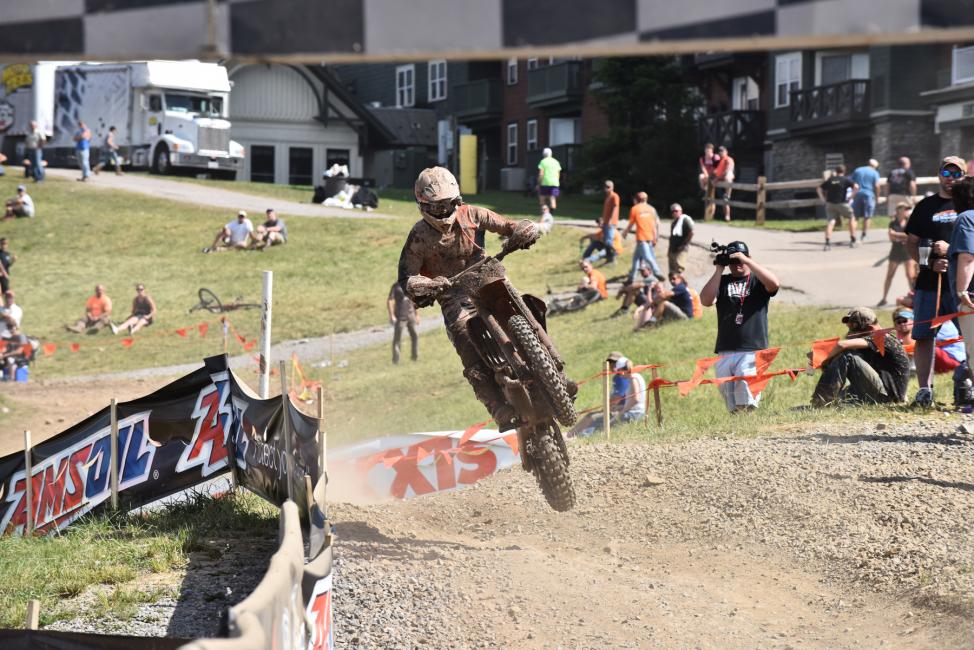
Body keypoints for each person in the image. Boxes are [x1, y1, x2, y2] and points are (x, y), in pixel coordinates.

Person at [397, 167, 542, 429]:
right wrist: (423, 285)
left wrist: (523, 230)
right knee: (466, 341)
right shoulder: (418, 236)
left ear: (458, 200)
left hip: (487, 276)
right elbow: (407, 276)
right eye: (437, 207)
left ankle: (552, 367)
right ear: (423, 205)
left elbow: (507, 225)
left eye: (448, 205)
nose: (444, 212)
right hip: (451, 295)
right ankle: (497, 407)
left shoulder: (473, 214)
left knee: (527, 305)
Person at [906, 156, 965, 407]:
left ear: (964, 176)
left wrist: (951, 252)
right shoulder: (925, 206)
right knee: (923, 335)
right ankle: (924, 390)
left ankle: (967, 385)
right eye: (946, 173)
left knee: (970, 335)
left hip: (962, 285)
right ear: (939, 174)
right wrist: (928, 263)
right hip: (929, 283)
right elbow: (912, 242)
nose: (951, 179)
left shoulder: (969, 204)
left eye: (956, 174)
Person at [700, 241, 780, 413]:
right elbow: (706, 300)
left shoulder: (757, 280)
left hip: (752, 348)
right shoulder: (722, 281)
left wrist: (747, 260)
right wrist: (719, 269)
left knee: (747, 396)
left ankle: (747, 422)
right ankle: (739, 424)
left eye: (740, 260)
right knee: (731, 400)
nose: (737, 264)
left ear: (748, 258)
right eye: (733, 261)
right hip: (725, 349)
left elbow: (774, 283)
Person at [810, 307, 910, 407]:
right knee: (839, 400)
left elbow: (842, 345)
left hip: (887, 397)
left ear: (870, 328)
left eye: (854, 330)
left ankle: (820, 403)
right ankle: (824, 403)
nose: (850, 333)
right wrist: (827, 362)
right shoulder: (869, 344)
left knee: (848, 356)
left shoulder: (883, 337)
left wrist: (822, 359)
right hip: (876, 390)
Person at [568, 355, 646, 437]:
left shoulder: (633, 378)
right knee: (601, 421)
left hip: (633, 414)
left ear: (622, 370)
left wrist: (622, 411)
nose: (619, 375)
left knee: (602, 423)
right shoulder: (637, 376)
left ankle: (580, 436)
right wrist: (620, 407)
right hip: (635, 412)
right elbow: (635, 401)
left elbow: (636, 399)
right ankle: (576, 435)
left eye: (618, 372)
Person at [879, 202, 917, 306]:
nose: (907, 211)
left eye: (907, 209)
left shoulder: (909, 222)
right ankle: (884, 298)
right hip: (896, 251)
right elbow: (891, 237)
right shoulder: (893, 223)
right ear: (898, 210)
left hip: (907, 251)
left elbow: (910, 236)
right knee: (890, 275)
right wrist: (901, 236)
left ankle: (915, 296)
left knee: (910, 275)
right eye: (905, 209)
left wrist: (896, 234)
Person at [622, 192, 663, 282]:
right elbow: (655, 224)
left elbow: (631, 223)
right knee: (636, 259)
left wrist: (625, 232)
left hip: (642, 237)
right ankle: (631, 278)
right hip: (650, 237)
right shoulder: (651, 209)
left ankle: (657, 272)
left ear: (636, 199)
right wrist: (656, 237)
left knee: (647, 257)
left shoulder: (635, 209)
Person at [817, 164, 859, 250]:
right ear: (844, 171)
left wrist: (823, 199)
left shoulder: (831, 180)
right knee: (851, 218)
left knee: (831, 222)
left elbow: (819, 188)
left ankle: (827, 243)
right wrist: (851, 197)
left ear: (836, 171)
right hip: (842, 203)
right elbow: (856, 187)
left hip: (830, 203)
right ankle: (853, 240)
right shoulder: (845, 179)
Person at [387, 281, 419, 364]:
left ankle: (414, 357)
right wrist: (391, 315)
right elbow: (390, 300)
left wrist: (417, 315)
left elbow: (414, 300)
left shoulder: (410, 285)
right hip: (400, 316)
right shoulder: (395, 286)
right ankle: (396, 360)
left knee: (415, 336)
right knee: (397, 339)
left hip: (411, 315)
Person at [850, 158, 880, 240]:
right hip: (868, 194)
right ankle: (864, 235)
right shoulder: (874, 172)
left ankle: (853, 235)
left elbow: (851, 182)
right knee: (867, 216)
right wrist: (877, 196)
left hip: (857, 193)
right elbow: (877, 185)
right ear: (874, 166)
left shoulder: (858, 170)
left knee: (855, 216)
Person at [667, 203, 694, 274]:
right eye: (672, 211)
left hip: (681, 249)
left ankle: (679, 281)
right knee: (672, 271)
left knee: (679, 269)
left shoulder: (685, 220)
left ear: (681, 211)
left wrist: (684, 244)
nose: (674, 213)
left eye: (676, 211)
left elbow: (691, 232)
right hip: (673, 248)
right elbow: (672, 236)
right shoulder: (674, 222)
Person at [598, 180, 621, 265]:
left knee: (609, 241)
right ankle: (609, 259)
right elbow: (605, 211)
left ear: (612, 187)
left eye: (608, 187)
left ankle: (614, 255)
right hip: (605, 223)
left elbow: (615, 208)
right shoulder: (607, 197)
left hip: (611, 223)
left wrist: (611, 220)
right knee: (605, 242)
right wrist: (602, 220)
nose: (606, 189)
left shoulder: (615, 196)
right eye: (605, 187)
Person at [537, 147, 562, 212]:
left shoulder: (543, 162)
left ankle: (545, 214)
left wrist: (538, 184)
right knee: (553, 200)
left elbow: (541, 174)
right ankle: (550, 214)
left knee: (542, 200)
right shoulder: (556, 162)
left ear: (543, 154)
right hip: (555, 184)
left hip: (545, 183)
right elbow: (558, 174)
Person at [715, 145, 735, 222]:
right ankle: (726, 216)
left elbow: (728, 170)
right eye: (720, 151)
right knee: (723, 200)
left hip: (726, 183)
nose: (721, 153)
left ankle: (727, 216)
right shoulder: (719, 161)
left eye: (722, 151)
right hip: (719, 183)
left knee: (726, 199)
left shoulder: (729, 159)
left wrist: (717, 178)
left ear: (726, 152)